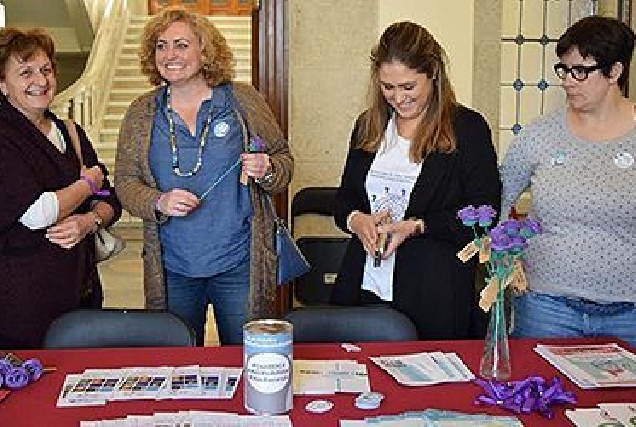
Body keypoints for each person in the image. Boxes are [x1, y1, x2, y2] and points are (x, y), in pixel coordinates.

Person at [115, 7, 292, 346]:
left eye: (181, 44)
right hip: (173, 268)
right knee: (175, 365)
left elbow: (283, 161)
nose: (169, 55)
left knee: (248, 358)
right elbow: (124, 181)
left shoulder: (243, 100)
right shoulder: (142, 111)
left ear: (205, 50)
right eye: (161, 46)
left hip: (240, 264)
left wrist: (267, 168)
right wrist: (158, 200)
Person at [330, 21, 501, 340]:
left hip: (433, 292)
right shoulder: (369, 126)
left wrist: (417, 226)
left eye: (409, 87)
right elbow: (344, 202)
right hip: (364, 285)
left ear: (433, 72)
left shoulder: (467, 129)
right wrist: (357, 220)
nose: (397, 98)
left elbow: (484, 215)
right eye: (387, 87)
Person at [500, 16, 636, 348]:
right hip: (545, 309)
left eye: (580, 71)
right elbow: (497, 202)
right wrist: (508, 261)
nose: (567, 81)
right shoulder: (539, 136)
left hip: (629, 314)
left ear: (614, 72)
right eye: (564, 69)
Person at [0, 27, 122, 349]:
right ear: (2, 84)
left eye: (46, 69)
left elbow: (110, 198)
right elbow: (38, 213)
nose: (40, 80)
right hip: (22, 305)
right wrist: (87, 183)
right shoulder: (5, 137)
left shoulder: (69, 131)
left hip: (79, 292)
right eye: (25, 72)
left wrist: (90, 221)